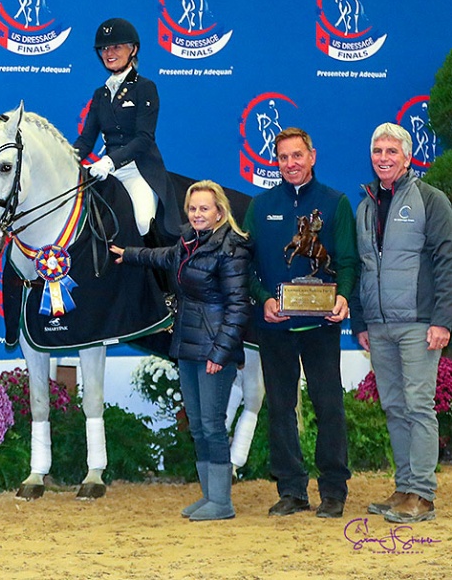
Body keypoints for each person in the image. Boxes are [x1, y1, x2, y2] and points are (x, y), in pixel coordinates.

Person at [110, 180, 251, 521]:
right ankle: (210, 496)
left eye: (204, 208)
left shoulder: (232, 248)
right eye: (192, 208)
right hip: (186, 346)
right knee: (199, 426)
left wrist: (220, 354)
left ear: (220, 212)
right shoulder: (188, 241)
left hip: (213, 351)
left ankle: (222, 502)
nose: (197, 214)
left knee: (213, 426)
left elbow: (238, 307)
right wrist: (127, 254)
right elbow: (161, 257)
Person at [243, 127, 358, 519]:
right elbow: (245, 267)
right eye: (283, 157)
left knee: (329, 407)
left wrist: (342, 296)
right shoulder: (259, 207)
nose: (290, 164)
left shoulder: (335, 202)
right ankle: (291, 489)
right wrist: (263, 301)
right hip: (274, 328)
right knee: (280, 407)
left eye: (297, 156)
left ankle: (333, 490)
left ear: (312, 156)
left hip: (321, 327)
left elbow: (346, 261)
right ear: (275, 162)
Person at [350, 122, 452, 523]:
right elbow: (360, 268)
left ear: (407, 157)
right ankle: (404, 487)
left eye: (392, 151)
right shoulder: (365, 205)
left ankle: (423, 495)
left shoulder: (432, 199)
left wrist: (443, 319)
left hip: (419, 322)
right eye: (378, 151)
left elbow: (446, 262)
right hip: (379, 325)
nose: (384, 158)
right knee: (394, 407)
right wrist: (361, 320)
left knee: (418, 406)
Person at [74, 17, 180, 242]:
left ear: (133, 49)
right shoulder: (100, 94)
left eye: (116, 47)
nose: (109, 52)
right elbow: (86, 140)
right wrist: (65, 160)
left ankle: (155, 274)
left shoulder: (145, 88)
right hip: (107, 169)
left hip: (137, 168)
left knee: (143, 221)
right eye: (104, 48)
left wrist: (110, 161)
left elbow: (144, 139)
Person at [225, 348, 265, 480]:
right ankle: (233, 462)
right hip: (252, 342)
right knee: (252, 406)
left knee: (234, 391)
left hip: (236, 339)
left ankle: (227, 460)